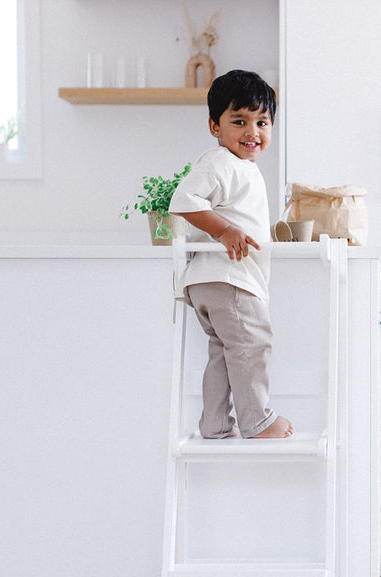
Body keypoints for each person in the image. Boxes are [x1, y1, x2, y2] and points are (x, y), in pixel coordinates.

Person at [169, 69, 293, 439]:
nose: (252, 132)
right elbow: (183, 199)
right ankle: (257, 420)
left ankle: (215, 422)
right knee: (253, 343)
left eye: (262, 122)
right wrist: (224, 230)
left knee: (224, 351)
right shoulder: (222, 161)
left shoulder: (241, 168)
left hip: (214, 280)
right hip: (230, 279)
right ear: (215, 126)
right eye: (239, 121)